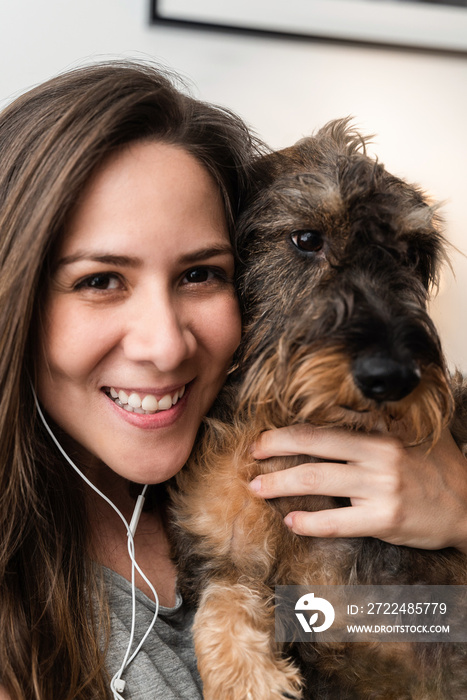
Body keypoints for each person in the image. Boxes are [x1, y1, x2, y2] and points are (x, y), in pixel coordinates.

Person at [0, 60, 466, 700]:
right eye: (99, 280)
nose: (165, 346)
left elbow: (395, 635)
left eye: (200, 274)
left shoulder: (333, 468)